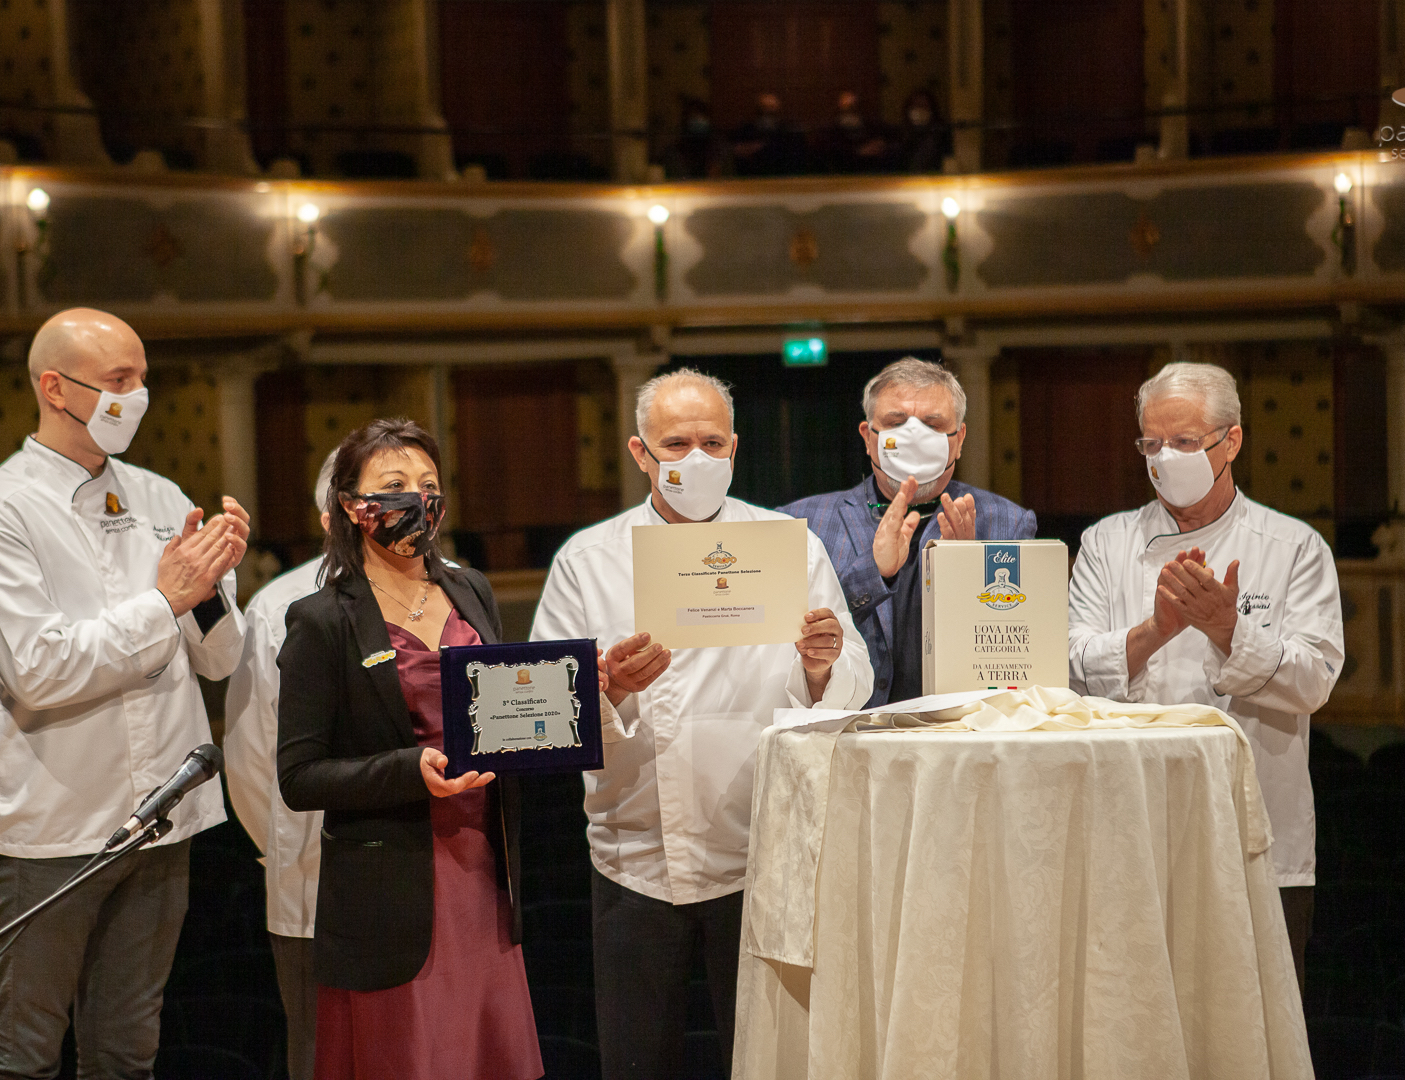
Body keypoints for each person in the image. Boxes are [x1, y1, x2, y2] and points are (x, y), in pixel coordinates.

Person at [530, 369, 872, 1080]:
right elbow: (544, 713)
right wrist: (612, 691)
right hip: (634, 854)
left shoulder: (789, 545)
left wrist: (820, 665)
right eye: (675, 443)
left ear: (736, 448)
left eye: (711, 442)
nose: (696, 458)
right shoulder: (586, 561)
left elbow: (849, 682)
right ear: (639, 453)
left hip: (760, 852)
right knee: (635, 1063)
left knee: (764, 1062)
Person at [0, 307, 249, 1078]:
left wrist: (210, 588)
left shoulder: (159, 495)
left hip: (162, 812)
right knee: (26, 1051)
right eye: (120, 382)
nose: (138, 397)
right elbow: (39, 669)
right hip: (59, 822)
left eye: (143, 379)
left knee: (126, 1049)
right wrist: (167, 600)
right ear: (55, 388)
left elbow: (220, 661)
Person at [276, 418, 540, 1080]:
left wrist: (565, 707)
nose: (415, 500)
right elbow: (299, 777)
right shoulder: (323, 619)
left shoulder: (470, 587)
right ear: (350, 507)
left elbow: (499, 708)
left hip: (481, 870)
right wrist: (406, 771)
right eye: (393, 486)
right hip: (393, 884)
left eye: (428, 485)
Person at [1066, 361, 1344, 992]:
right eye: (1151, 444)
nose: (1165, 458)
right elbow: (1073, 670)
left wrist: (1227, 628)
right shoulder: (1106, 544)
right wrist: (1155, 631)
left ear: (1232, 441)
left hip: (1258, 843)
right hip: (1128, 835)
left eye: (1185, 442)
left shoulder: (1293, 547)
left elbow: (1315, 681)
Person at [780, 358, 1036, 707]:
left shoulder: (1007, 523)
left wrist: (963, 576)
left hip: (955, 732)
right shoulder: (802, 522)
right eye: (896, 423)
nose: (914, 437)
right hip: (843, 734)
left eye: (933, 425)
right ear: (868, 438)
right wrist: (874, 571)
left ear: (959, 439)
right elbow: (791, 637)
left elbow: (1019, 650)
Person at [223, 447, 338, 1080]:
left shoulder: (458, 585)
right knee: (323, 1058)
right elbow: (248, 760)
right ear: (331, 513)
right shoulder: (279, 605)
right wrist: (290, 841)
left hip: (444, 874)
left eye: (422, 488)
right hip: (313, 875)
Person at [731, 90, 807, 176]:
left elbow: (794, 157)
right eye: (763, 109)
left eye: (771, 109)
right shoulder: (746, 129)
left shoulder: (787, 130)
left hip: (782, 176)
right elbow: (737, 150)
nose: (767, 113)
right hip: (753, 176)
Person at [821, 89, 889, 173]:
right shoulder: (833, 128)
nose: (850, 106)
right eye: (847, 104)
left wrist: (877, 144)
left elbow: (879, 138)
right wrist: (858, 151)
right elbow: (835, 150)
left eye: (853, 104)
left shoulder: (868, 124)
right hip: (847, 167)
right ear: (840, 105)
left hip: (872, 165)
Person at [897, 88, 952, 173]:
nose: (919, 110)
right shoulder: (901, 134)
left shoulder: (941, 134)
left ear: (932, 110)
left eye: (924, 106)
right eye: (915, 106)